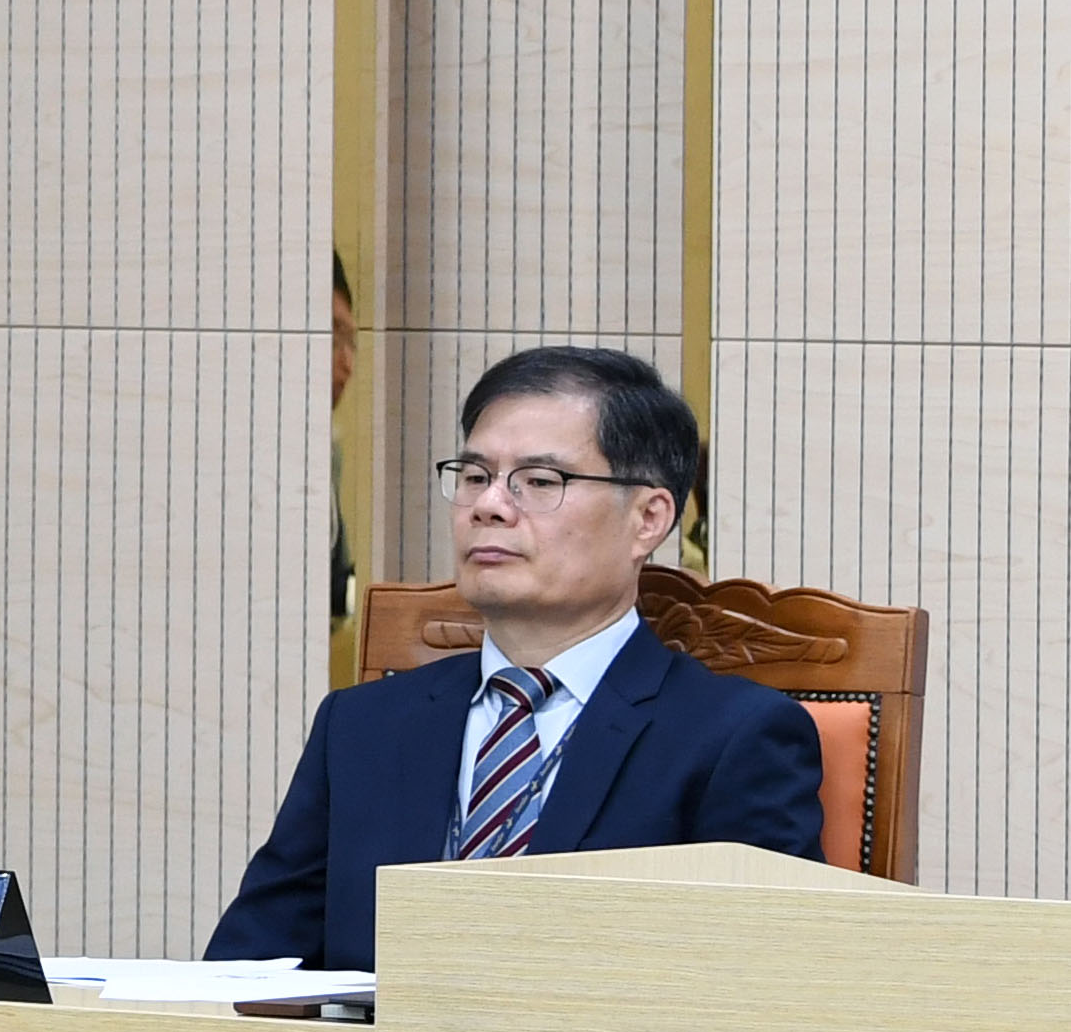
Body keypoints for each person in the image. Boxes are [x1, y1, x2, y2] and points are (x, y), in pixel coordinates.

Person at [208, 344, 820, 969]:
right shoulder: (361, 727)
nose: (489, 505)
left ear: (648, 518)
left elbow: (772, 986)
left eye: (538, 481)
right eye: (475, 476)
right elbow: (245, 970)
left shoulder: (733, 738)